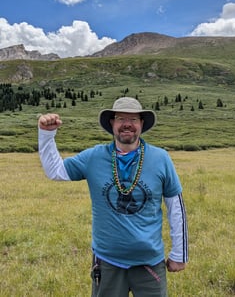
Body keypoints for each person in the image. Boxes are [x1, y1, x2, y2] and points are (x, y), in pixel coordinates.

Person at [38, 97, 188, 297]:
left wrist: (179, 253)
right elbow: (55, 171)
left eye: (133, 119)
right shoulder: (93, 157)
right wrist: (47, 135)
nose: (127, 124)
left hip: (149, 262)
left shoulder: (161, 158)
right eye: (121, 118)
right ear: (112, 123)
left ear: (142, 124)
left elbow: (175, 206)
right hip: (108, 262)